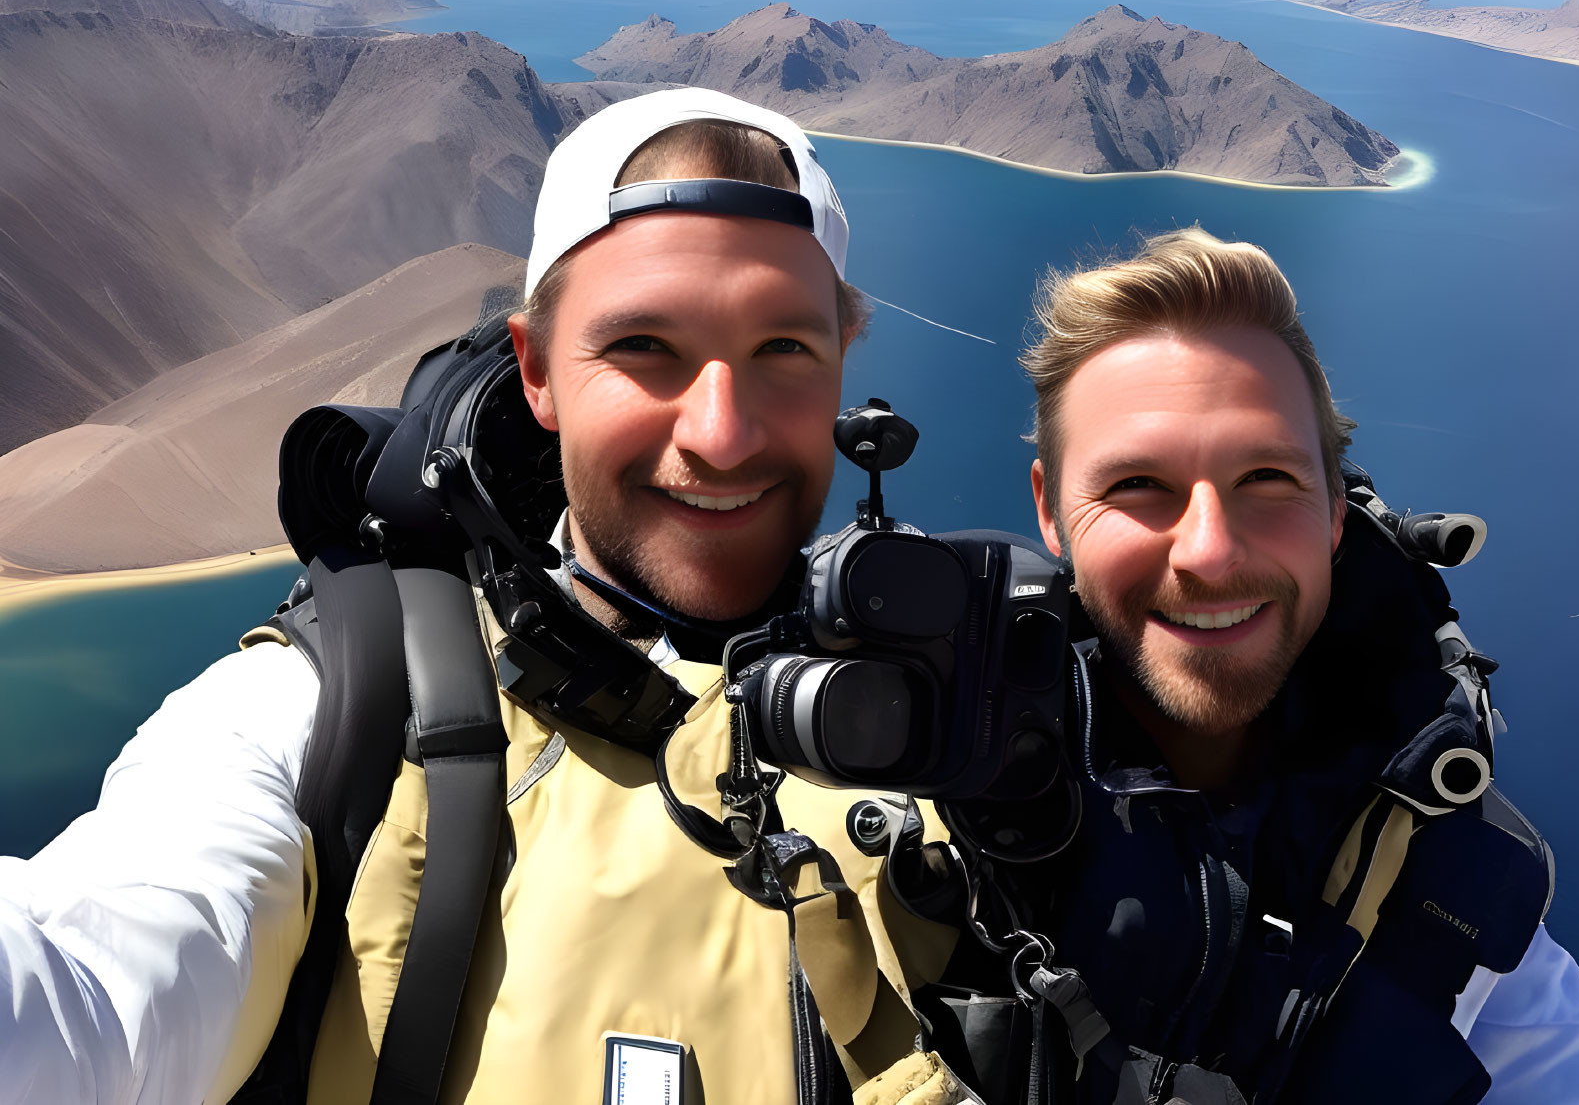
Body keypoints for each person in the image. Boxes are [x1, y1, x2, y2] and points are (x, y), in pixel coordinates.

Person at [0, 87, 971, 1104]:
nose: (720, 434)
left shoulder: (962, 722)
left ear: (844, 364)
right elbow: (103, 987)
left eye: (784, 350)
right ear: (537, 369)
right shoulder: (343, 708)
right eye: (644, 347)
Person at [1017, 227, 1579, 1103]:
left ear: (1336, 514)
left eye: (1267, 478)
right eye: (1136, 486)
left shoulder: (1444, 884)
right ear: (1050, 510)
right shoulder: (911, 813)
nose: (1210, 551)